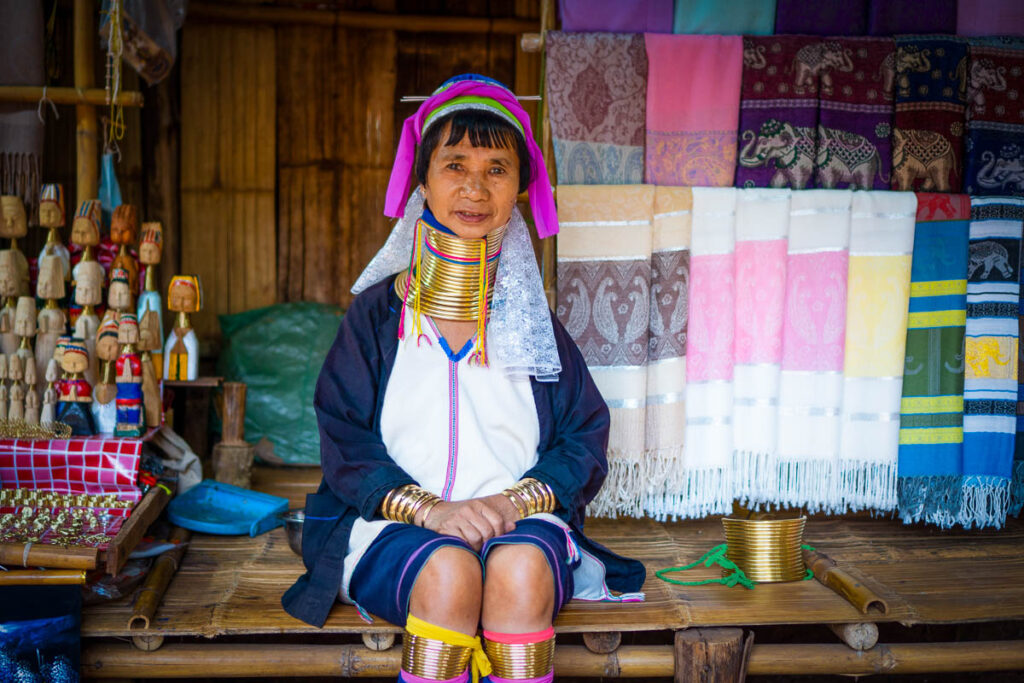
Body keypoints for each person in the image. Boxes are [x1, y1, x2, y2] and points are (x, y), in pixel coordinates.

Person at [282, 74, 645, 683]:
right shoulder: (377, 315)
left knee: (521, 569)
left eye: (497, 169)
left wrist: (510, 503)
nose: (475, 187)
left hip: (520, 524)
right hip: (393, 524)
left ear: (520, 190)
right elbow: (343, 437)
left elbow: (584, 436)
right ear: (423, 180)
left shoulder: (534, 323)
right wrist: (431, 512)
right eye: (455, 164)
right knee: (450, 572)